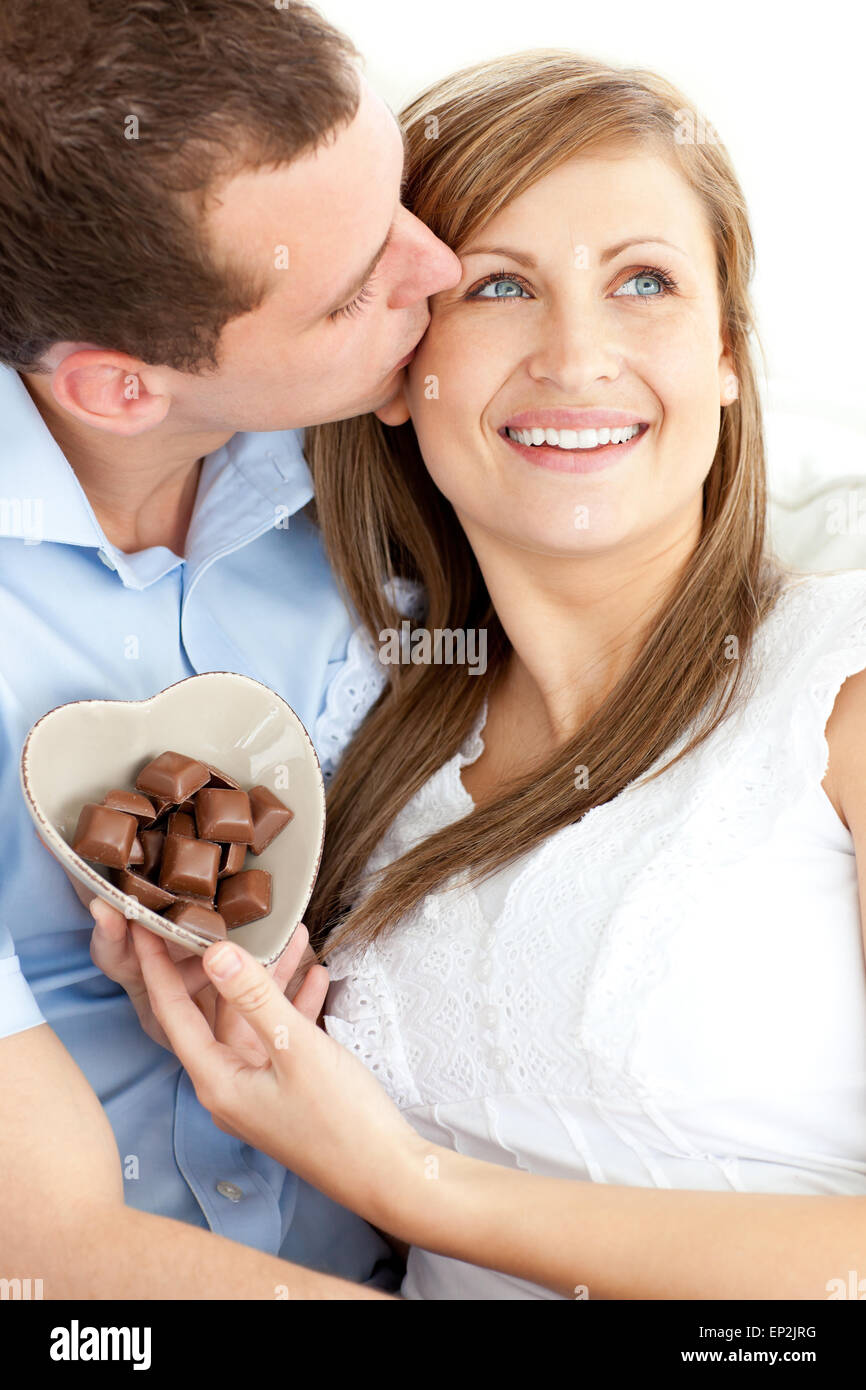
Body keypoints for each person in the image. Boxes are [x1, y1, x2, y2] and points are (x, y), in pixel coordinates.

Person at [102, 50, 866, 1299]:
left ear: (725, 355)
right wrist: (251, 1056)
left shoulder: (836, 686)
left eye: (643, 282)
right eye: (500, 285)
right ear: (399, 367)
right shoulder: (366, 753)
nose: (575, 356)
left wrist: (408, 1181)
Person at [0, 0, 460, 1299]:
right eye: (353, 289)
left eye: (399, 197)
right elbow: (45, 1248)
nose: (436, 266)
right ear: (119, 387)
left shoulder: (395, 480)